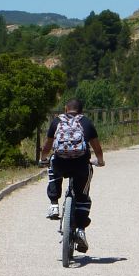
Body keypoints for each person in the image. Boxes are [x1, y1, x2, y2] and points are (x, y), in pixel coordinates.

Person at [40, 99, 105, 253]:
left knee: (52, 166)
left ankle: (54, 204)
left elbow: (48, 145)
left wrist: (43, 158)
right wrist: (100, 161)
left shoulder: (57, 121)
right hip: (81, 164)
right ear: (81, 111)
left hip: (61, 163)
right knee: (83, 195)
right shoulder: (86, 123)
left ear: (65, 109)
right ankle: (81, 229)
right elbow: (97, 148)